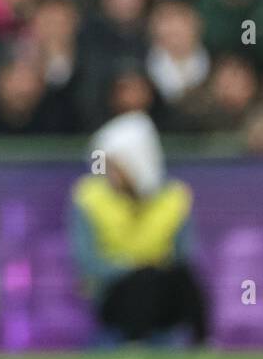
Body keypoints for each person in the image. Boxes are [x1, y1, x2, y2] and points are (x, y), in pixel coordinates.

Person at [69, 111, 209, 346]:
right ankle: (134, 342)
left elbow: (185, 255)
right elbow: (88, 262)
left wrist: (154, 269)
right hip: (115, 293)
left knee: (184, 279)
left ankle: (203, 344)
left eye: (116, 167)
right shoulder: (88, 196)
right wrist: (132, 268)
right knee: (141, 281)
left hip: (162, 289)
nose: (110, 174)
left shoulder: (175, 197)